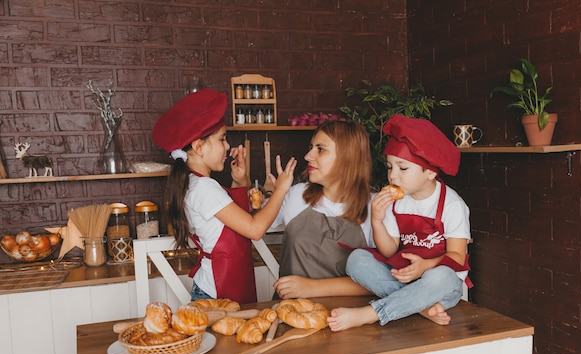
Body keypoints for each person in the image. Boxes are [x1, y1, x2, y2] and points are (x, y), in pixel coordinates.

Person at [328, 114, 473, 331]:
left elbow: (457, 257)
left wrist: (424, 266)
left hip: (441, 285)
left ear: (430, 172)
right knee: (357, 260)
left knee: (440, 277)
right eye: (389, 167)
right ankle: (418, 306)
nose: (392, 176)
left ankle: (372, 313)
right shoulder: (398, 202)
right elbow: (389, 251)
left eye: (402, 168)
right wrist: (377, 220)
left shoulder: (452, 205)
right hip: (403, 277)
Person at [152, 88, 297, 304]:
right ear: (199, 147)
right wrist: (281, 189)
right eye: (222, 139)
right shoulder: (204, 188)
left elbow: (232, 222)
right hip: (217, 292)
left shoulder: (196, 184)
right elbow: (254, 229)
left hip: (220, 286)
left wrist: (240, 181)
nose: (227, 146)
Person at [272, 119, 375, 299]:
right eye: (311, 147)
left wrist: (312, 288)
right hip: (290, 312)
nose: (308, 156)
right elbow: (253, 227)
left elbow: (383, 282)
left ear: (347, 156)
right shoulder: (297, 196)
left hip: (348, 318)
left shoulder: (375, 207)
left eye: (320, 149)